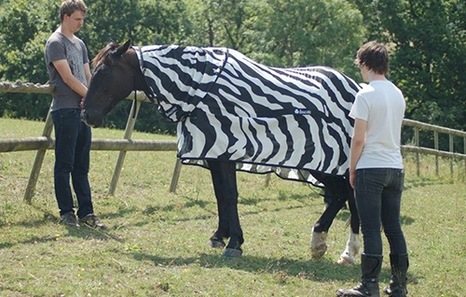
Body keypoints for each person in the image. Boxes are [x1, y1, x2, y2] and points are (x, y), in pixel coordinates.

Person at [336, 41, 408, 297]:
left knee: (370, 228)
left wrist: (352, 168)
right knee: (393, 227)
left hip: (371, 167)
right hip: (395, 167)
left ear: (365, 64)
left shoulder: (365, 94)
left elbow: (358, 139)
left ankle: (369, 286)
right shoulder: (397, 93)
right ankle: (399, 285)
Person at [44, 0, 105, 229]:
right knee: (65, 163)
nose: (81, 23)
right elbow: (68, 78)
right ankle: (66, 212)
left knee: (82, 165)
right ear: (66, 17)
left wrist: (91, 100)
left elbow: (87, 75)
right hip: (65, 109)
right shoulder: (55, 42)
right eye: (77, 19)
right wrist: (88, 97)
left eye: (82, 19)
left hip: (81, 111)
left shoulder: (80, 44)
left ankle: (87, 212)